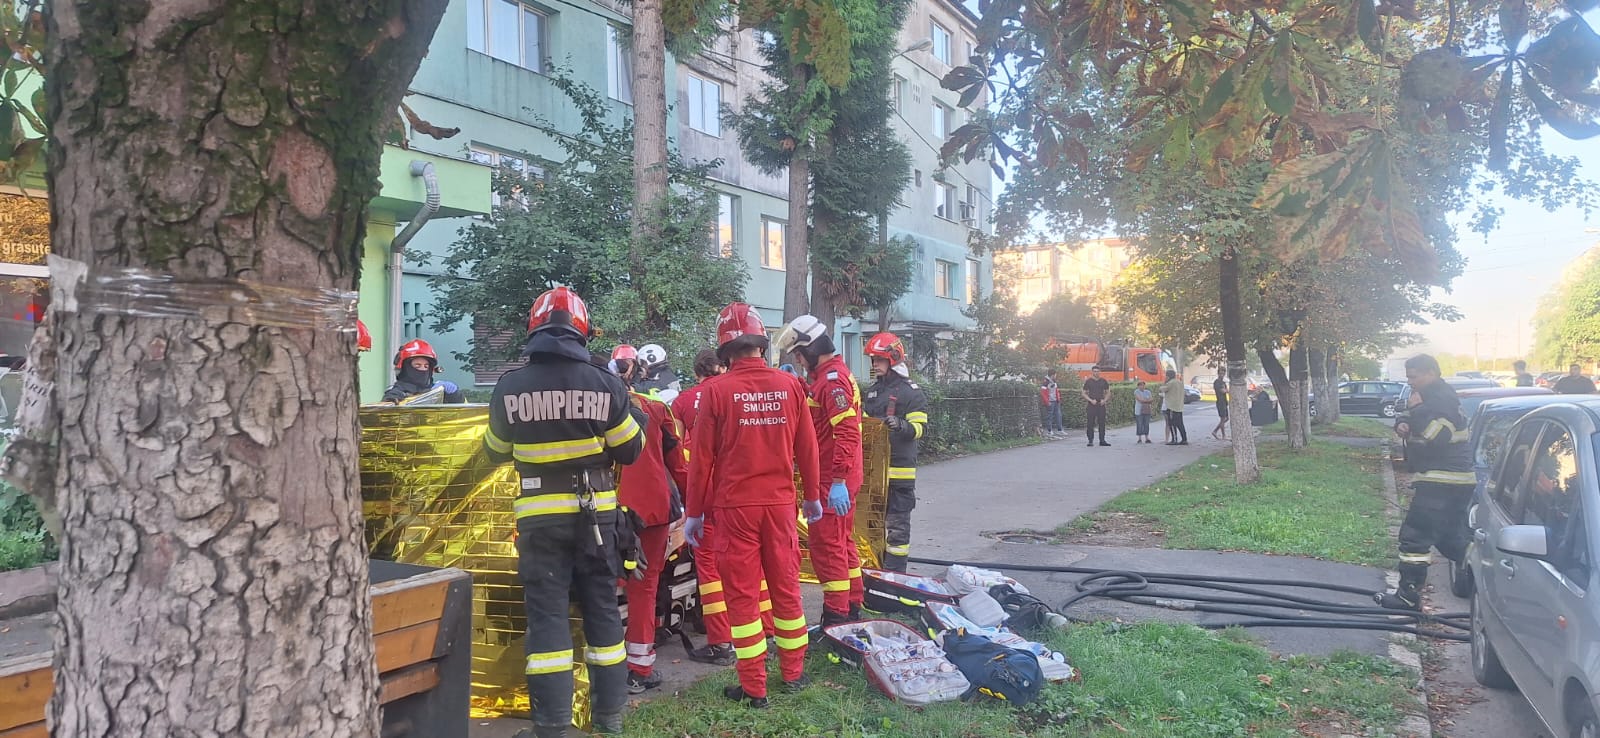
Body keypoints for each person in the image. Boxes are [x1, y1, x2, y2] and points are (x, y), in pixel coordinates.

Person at [482, 287, 647, 737]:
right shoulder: (605, 383)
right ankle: (609, 717)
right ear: (582, 331)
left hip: (539, 521)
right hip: (598, 521)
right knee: (602, 610)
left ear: (534, 328)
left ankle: (551, 726)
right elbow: (630, 450)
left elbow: (494, 452)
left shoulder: (510, 386)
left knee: (548, 617)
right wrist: (638, 420)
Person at [685, 303, 823, 708]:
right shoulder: (790, 385)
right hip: (780, 507)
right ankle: (793, 674)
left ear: (725, 350)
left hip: (735, 509)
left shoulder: (715, 392)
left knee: (743, 598)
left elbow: (701, 460)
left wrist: (694, 512)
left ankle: (754, 688)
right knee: (786, 590)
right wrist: (813, 496)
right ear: (761, 344)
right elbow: (808, 448)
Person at [608, 345, 689, 695]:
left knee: (602, 586)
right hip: (651, 511)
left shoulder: (590, 410)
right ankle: (639, 668)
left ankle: (602, 666)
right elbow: (678, 464)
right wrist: (693, 505)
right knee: (645, 585)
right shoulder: (655, 408)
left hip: (604, 511)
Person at [777, 315, 865, 626]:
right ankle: (853, 605)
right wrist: (800, 384)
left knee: (828, 548)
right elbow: (821, 405)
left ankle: (836, 618)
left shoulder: (832, 381)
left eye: (799, 355)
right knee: (843, 542)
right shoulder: (829, 377)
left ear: (812, 349)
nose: (799, 361)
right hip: (839, 476)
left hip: (833, 478)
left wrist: (838, 479)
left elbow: (847, 433)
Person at [1378, 354, 1475, 611]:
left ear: (1431, 372)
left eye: (1414, 376)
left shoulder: (1442, 398)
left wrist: (1417, 410)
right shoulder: (1429, 396)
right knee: (1449, 540)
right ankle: (1489, 566)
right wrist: (1402, 422)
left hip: (1442, 481)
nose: (1410, 382)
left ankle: (1407, 597)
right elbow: (1411, 416)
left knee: (1414, 537)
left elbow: (1438, 435)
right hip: (1449, 481)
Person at [670, 349, 738, 666]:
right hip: (734, 487)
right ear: (721, 367)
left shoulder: (682, 401)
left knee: (709, 569)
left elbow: (677, 452)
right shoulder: (733, 393)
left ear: (696, 372)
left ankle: (721, 641)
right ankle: (760, 629)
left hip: (702, 489)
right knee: (744, 561)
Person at [861, 332, 929, 572]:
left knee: (898, 528)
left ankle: (896, 574)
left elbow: (920, 429)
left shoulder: (911, 392)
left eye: (879, 360)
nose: (874, 364)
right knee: (872, 526)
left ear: (893, 358)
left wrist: (901, 425)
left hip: (899, 473)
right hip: (874, 473)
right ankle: (874, 572)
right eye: (873, 360)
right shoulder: (872, 392)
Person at [382, 338, 466, 404]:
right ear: (404, 368)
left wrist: (456, 395)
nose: (422, 369)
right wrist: (392, 401)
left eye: (426, 366)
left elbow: (466, 413)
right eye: (417, 365)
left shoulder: (438, 391)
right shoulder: (395, 394)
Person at [1082, 367, 1111, 447]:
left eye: (1097, 371)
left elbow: (1108, 392)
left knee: (1102, 423)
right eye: (1094, 371)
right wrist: (1090, 400)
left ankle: (1102, 440)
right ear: (1092, 372)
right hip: (1091, 404)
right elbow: (1083, 393)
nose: (1096, 373)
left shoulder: (1103, 381)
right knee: (1090, 423)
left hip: (1101, 404)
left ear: (1100, 372)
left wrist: (1104, 400)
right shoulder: (1088, 381)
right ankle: (1090, 440)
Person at [1162, 370, 1188, 445]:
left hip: (1172, 406)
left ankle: (1174, 439)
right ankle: (1184, 439)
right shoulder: (1180, 382)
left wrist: (1164, 382)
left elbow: (1163, 389)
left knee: (1172, 424)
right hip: (1179, 406)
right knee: (1180, 424)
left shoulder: (1170, 383)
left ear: (1168, 376)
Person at [1039, 370, 1063, 438]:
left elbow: (1056, 390)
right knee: (1049, 417)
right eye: (1055, 374)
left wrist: (1058, 399)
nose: (1056, 376)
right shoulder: (1045, 382)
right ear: (1053, 375)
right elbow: (1043, 393)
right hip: (1050, 402)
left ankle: (1060, 430)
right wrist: (1047, 402)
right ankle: (1049, 431)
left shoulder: (1054, 381)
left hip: (1055, 401)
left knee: (1058, 415)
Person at [1211, 368, 1229, 441]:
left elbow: (1226, 390)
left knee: (1226, 418)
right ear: (1218, 373)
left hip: (1224, 401)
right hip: (1220, 402)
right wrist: (1226, 390)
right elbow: (1223, 391)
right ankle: (1223, 435)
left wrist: (1226, 390)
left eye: (1223, 373)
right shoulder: (1217, 382)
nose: (1222, 375)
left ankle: (1215, 431)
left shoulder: (1223, 382)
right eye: (1220, 373)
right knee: (1223, 419)